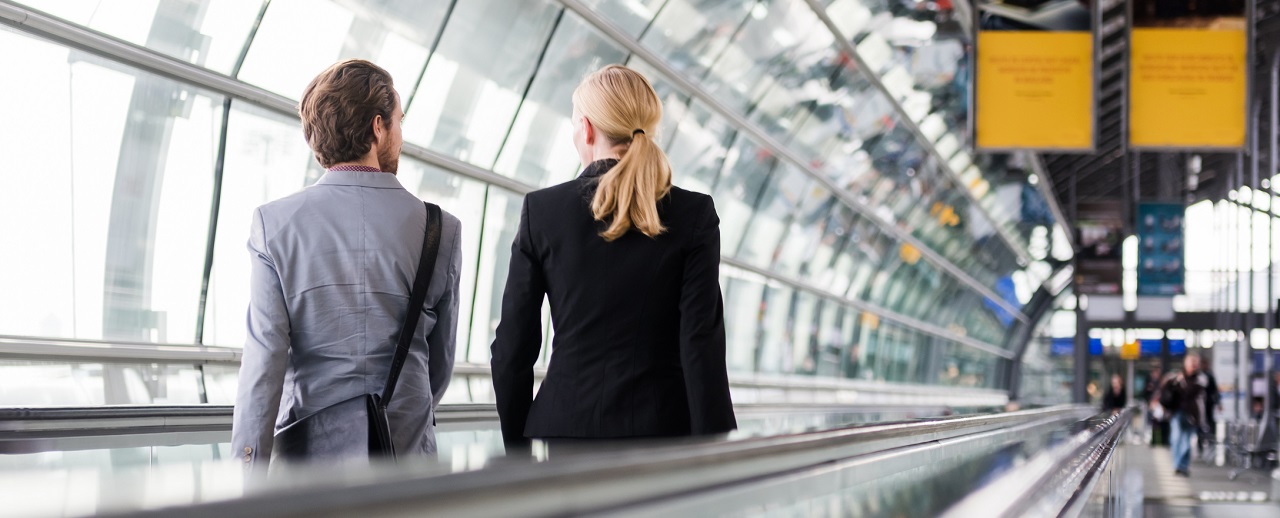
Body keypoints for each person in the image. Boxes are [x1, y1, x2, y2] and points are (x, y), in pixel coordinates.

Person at [490, 64, 737, 453]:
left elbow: (512, 347)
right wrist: (711, 449)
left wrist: (517, 452)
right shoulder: (694, 214)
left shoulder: (543, 211)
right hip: (663, 434)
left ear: (586, 128)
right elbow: (700, 340)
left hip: (567, 430)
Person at [231, 59, 463, 469]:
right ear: (378, 128)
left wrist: (247, 472)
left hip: (311, 467)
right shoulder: (439, 229)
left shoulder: (275, 224)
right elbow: (439, 367)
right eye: (398, 122)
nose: (401, 136)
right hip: (406, 462)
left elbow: (264, 362)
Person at [1157, 354, 1212, 477]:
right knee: (1176, 438)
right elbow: (1167, 391)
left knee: (1187, 442)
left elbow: (1190, 392)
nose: (1193, 365)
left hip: (1192, 414)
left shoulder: (1201, 378)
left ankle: (1184, 465)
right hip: (1176, 413)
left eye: (1195, 363)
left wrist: (1181, 383)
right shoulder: (1176, 377)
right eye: (1191, 362)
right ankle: (1177, 465)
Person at [1142, 366, 1169, 446]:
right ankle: (1153, 441)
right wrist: (1150, 402)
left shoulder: (1162, 384)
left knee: (1163, 424)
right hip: (1152, 407)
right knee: (1153, 424)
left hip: (1161, 407)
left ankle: (1164, 441)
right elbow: (1144, 394)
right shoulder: (1149, 383)